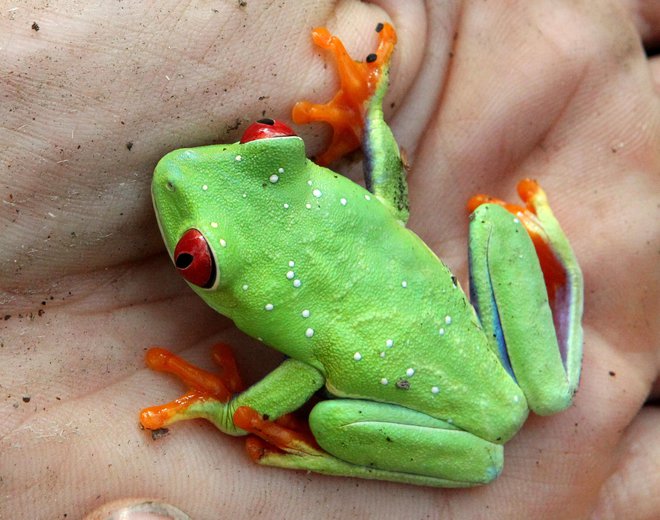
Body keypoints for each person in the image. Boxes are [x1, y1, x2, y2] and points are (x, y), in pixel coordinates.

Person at [1, 1, 658, 518]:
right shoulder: (352, 205)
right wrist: (369, 114)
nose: (183, 171)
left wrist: (232, 412)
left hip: (455, 397)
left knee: (330, 416)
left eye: (269, 142)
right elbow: (387, 202)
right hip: (483, 367)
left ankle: (327, 449)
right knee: (495, 226)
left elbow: (276, 396)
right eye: (197, 256)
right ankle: (548, 279)